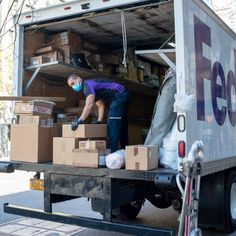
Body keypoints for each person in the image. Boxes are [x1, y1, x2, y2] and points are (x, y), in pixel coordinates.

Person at [67, 74, 131, 152]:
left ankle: (113, 154)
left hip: (120, 96)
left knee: (112, 125)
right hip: (124, 95)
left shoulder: (87, 86)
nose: (73, 87)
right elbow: (100, 105)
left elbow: (89, 104)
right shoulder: (89, 87)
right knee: (122, 125)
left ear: (78, 79)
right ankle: (126, 152)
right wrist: (99, 120)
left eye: (73, 83)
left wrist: (80, 120)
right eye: (71, 86)